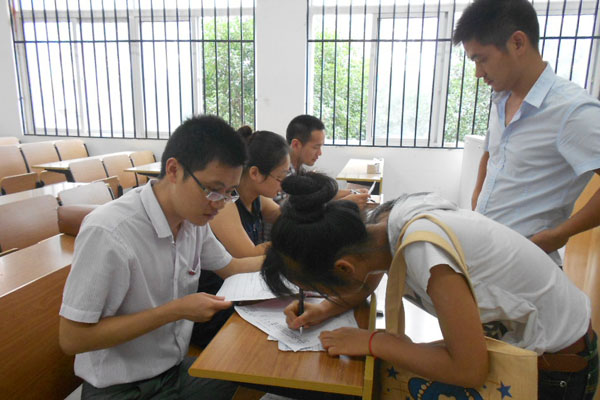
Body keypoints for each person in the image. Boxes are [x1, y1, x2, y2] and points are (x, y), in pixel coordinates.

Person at [262, 172, 598, 400]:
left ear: (344, 267)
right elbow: (368, 276)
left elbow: (469, 369)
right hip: (534, 343)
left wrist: (374, 341)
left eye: (325, 288)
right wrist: (324, 309)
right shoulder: (389, 222)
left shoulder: (425, 252)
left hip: (556, 368)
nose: (328, 295)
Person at [59, 115, 264, 399]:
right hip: (120, 389)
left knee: (249, 370)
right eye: (213, 190)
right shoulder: (109, 231)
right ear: (174, 170)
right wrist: (176, 310)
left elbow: (232, 267)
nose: (219, 204)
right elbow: (72, 338)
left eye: (229, 193)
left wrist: (292, 267)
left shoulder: (193, 220)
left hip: (172, 373)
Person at [452, 0, 600, 265]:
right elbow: (491, 154)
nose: (477, 73)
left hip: (526, 262)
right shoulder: (501, 98)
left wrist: (560, 234)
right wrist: (477, 200)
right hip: (487, 250)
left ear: (517, 43)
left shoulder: (572, 111)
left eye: (481, 59)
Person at [210, 127, 290, 257]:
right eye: (280, 177)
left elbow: (286, 218)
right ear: (255, 173)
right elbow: (249, 255)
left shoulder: (257, 198)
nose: (283, 184)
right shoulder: (224, 203)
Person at [284, 114, 369, 206]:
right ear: (296, 145)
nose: (320, 153)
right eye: (315, 147)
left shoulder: (298, 169)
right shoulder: (283, 174)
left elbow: (316, 197)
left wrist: (352, 192)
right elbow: (294, 211)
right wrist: (345, 203)